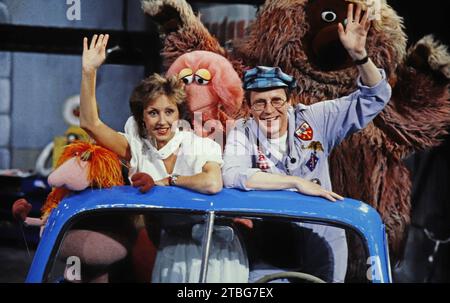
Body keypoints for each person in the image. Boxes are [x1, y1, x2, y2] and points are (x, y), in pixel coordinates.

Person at [222, 4, 392, 282]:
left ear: (289, 100)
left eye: (276, 100)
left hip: (324, 238)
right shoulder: (242, 132)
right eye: (259, 103)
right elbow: (232, 175)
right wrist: (296, 183)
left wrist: (360, 56)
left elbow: (375, 96)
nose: (268, 109)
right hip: (270, 244)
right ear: (249, 107)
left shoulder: (315, 118)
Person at [79, 34, 248, 282]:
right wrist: (88, 71)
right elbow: (89, 123)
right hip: (171, 247)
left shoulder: (200, 145)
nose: (162, 121)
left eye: (169, 112)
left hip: (216, 249)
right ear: (142, 118)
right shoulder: (136, 148)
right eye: (153, 113)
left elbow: (212, 183)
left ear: (179, 115)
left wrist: (169, 180)